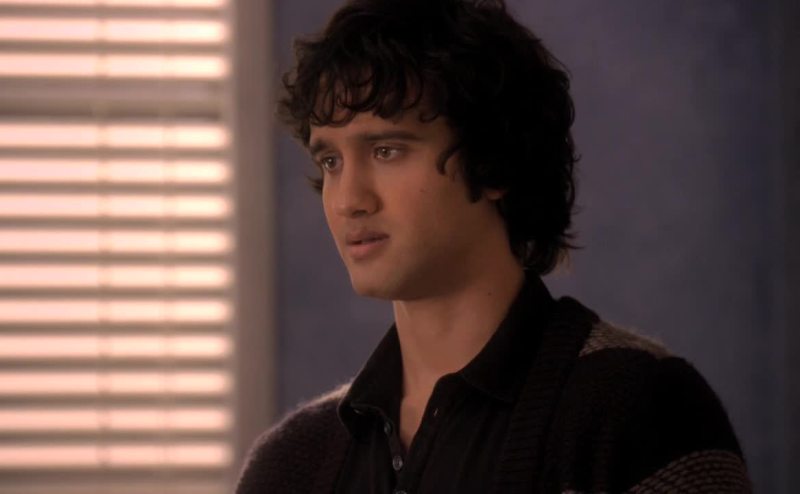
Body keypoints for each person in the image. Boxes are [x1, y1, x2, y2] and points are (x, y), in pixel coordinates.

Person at [236, 0, 752, 492]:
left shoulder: (641, 412)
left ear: (495, 163)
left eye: (387, 150)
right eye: (331, 162)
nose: (349, 200)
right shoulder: (292, 463)